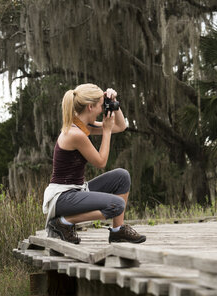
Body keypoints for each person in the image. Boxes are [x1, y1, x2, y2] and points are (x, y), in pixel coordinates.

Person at [42, 83, 146, 244]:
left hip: (76, 191)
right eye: (101, 105)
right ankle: (62, 223)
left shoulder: (82, 125)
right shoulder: (75, 134)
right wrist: (106, 131)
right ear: (90, 107)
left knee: (122, 176)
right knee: (116, 205)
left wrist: (114, 103)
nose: (102, 109)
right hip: (62, 197)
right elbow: (101, 162)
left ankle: (118, 231)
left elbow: (120, 126)